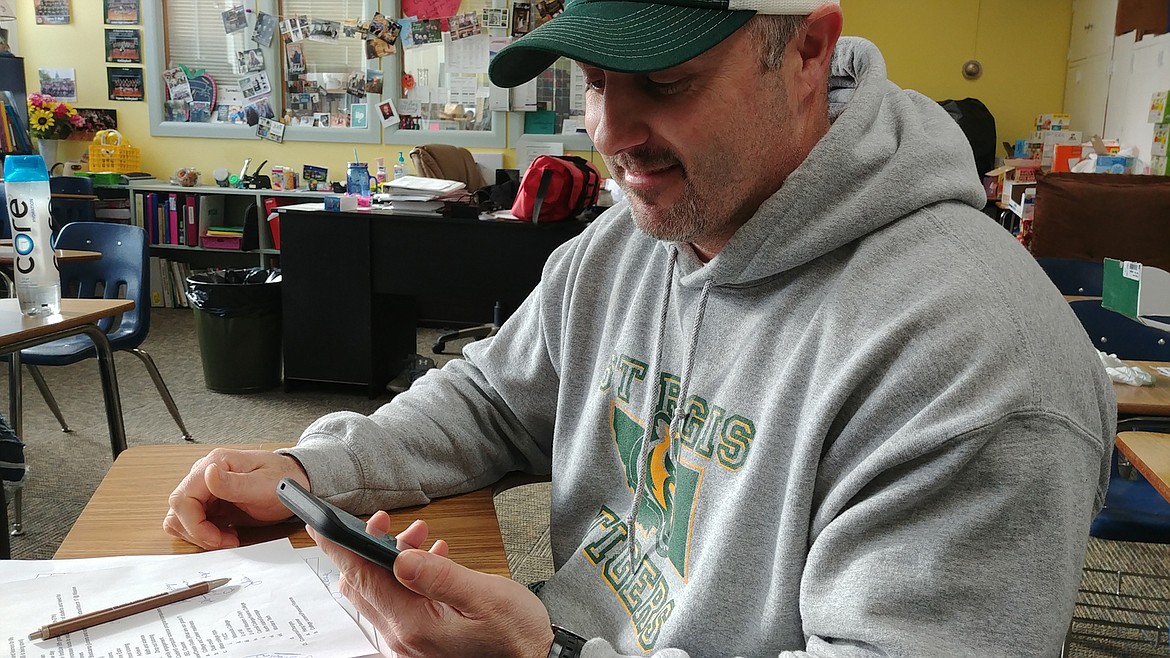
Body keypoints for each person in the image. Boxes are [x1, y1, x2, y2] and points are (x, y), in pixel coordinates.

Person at [164, 0, 1116, 655]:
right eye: (593, 80)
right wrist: (316, 472)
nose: (610, 134)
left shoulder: (976, 361)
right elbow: (497, 394)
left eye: (664, 80)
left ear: (808, 51)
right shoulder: (634, 237)